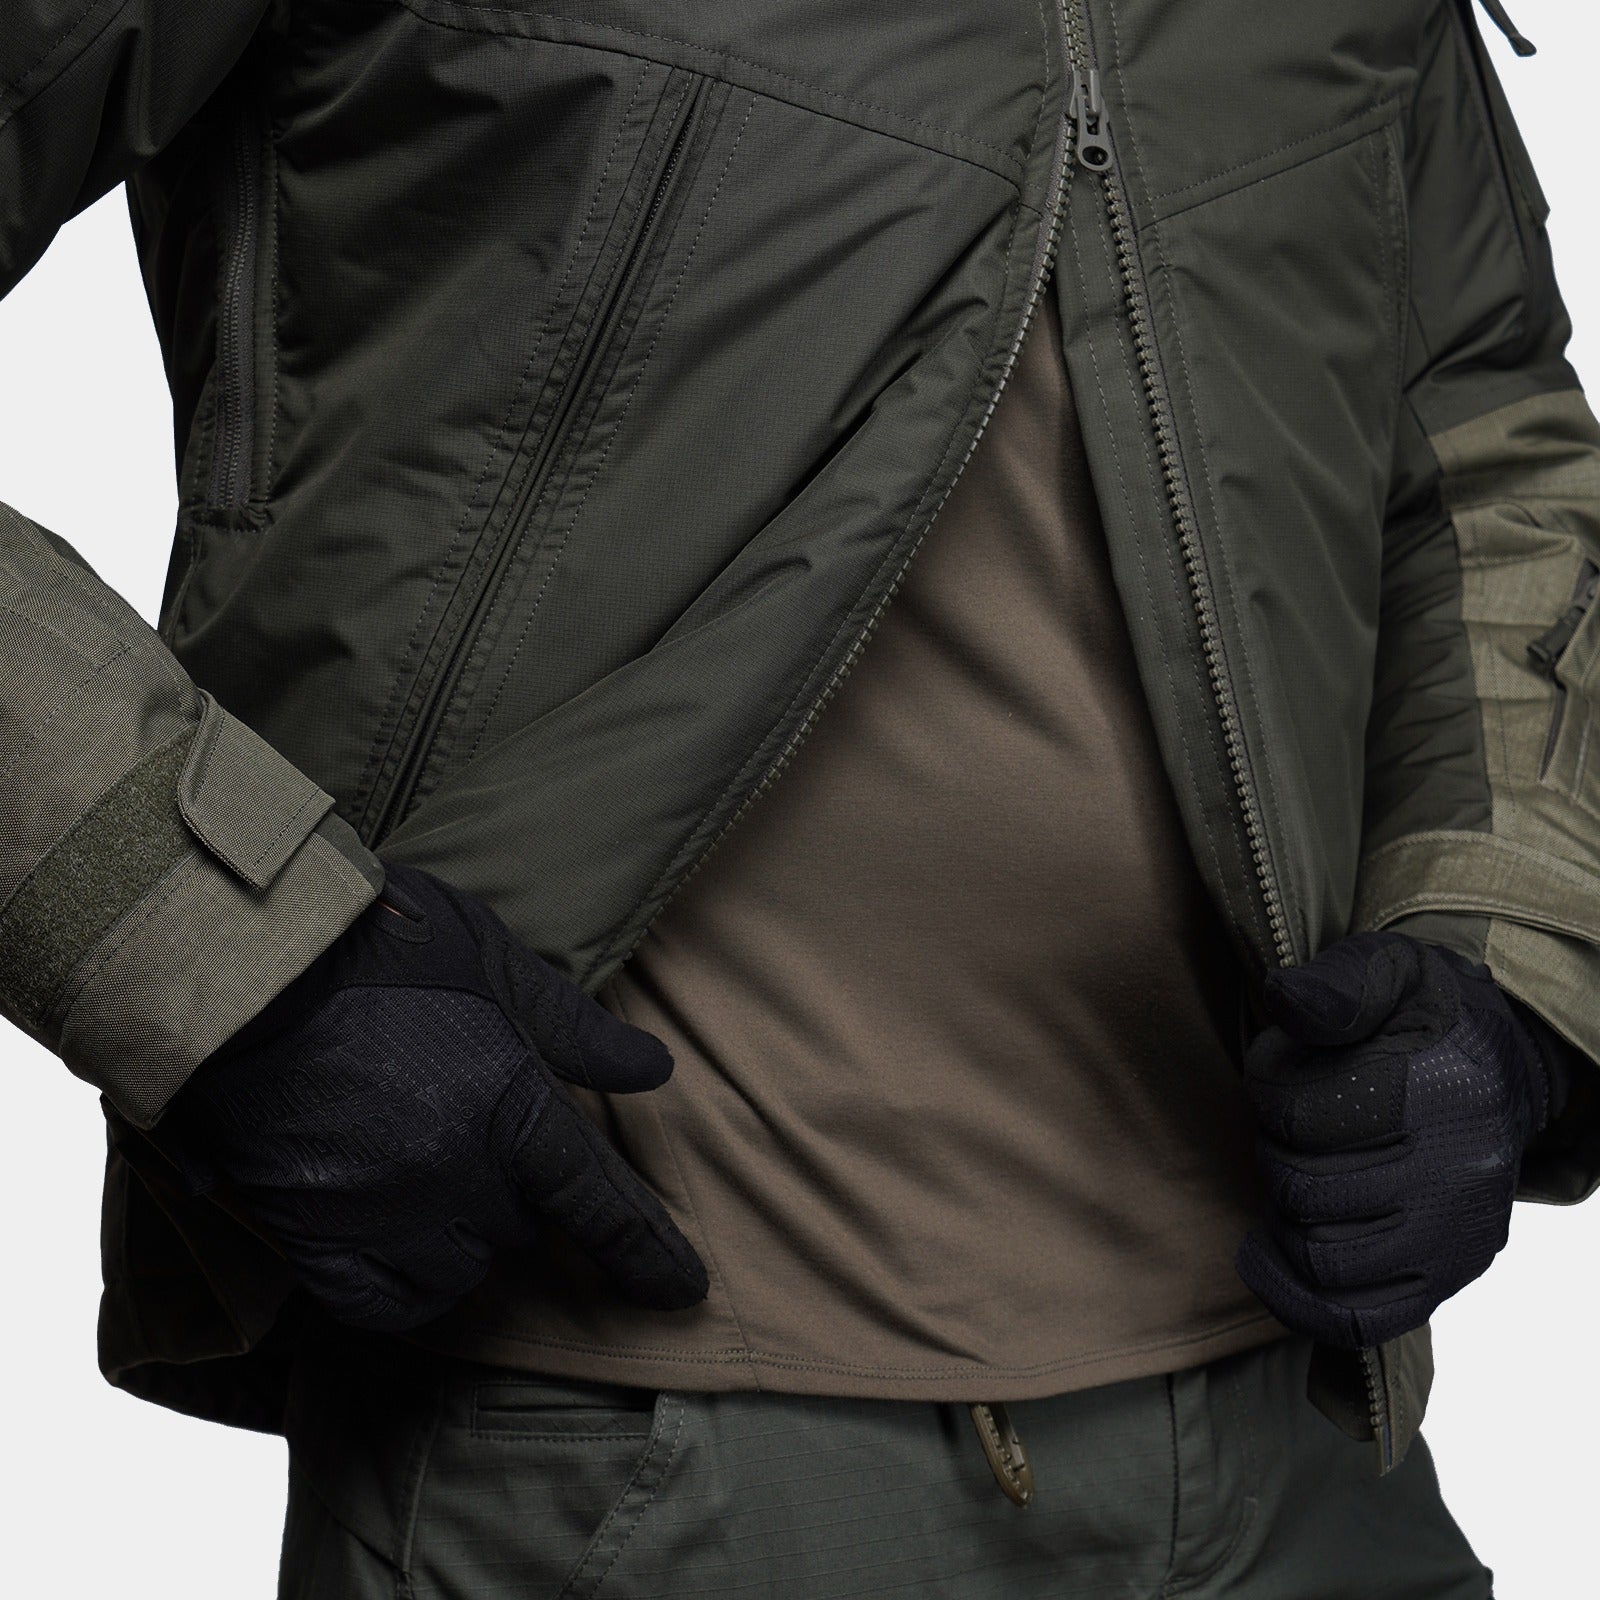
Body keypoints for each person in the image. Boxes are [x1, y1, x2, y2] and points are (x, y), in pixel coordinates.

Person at [3, 0, 1597, 1592]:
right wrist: (222, 960)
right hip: (609, 1438)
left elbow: (1479, 427)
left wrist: (1504, 971)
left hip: (1299, 1434)